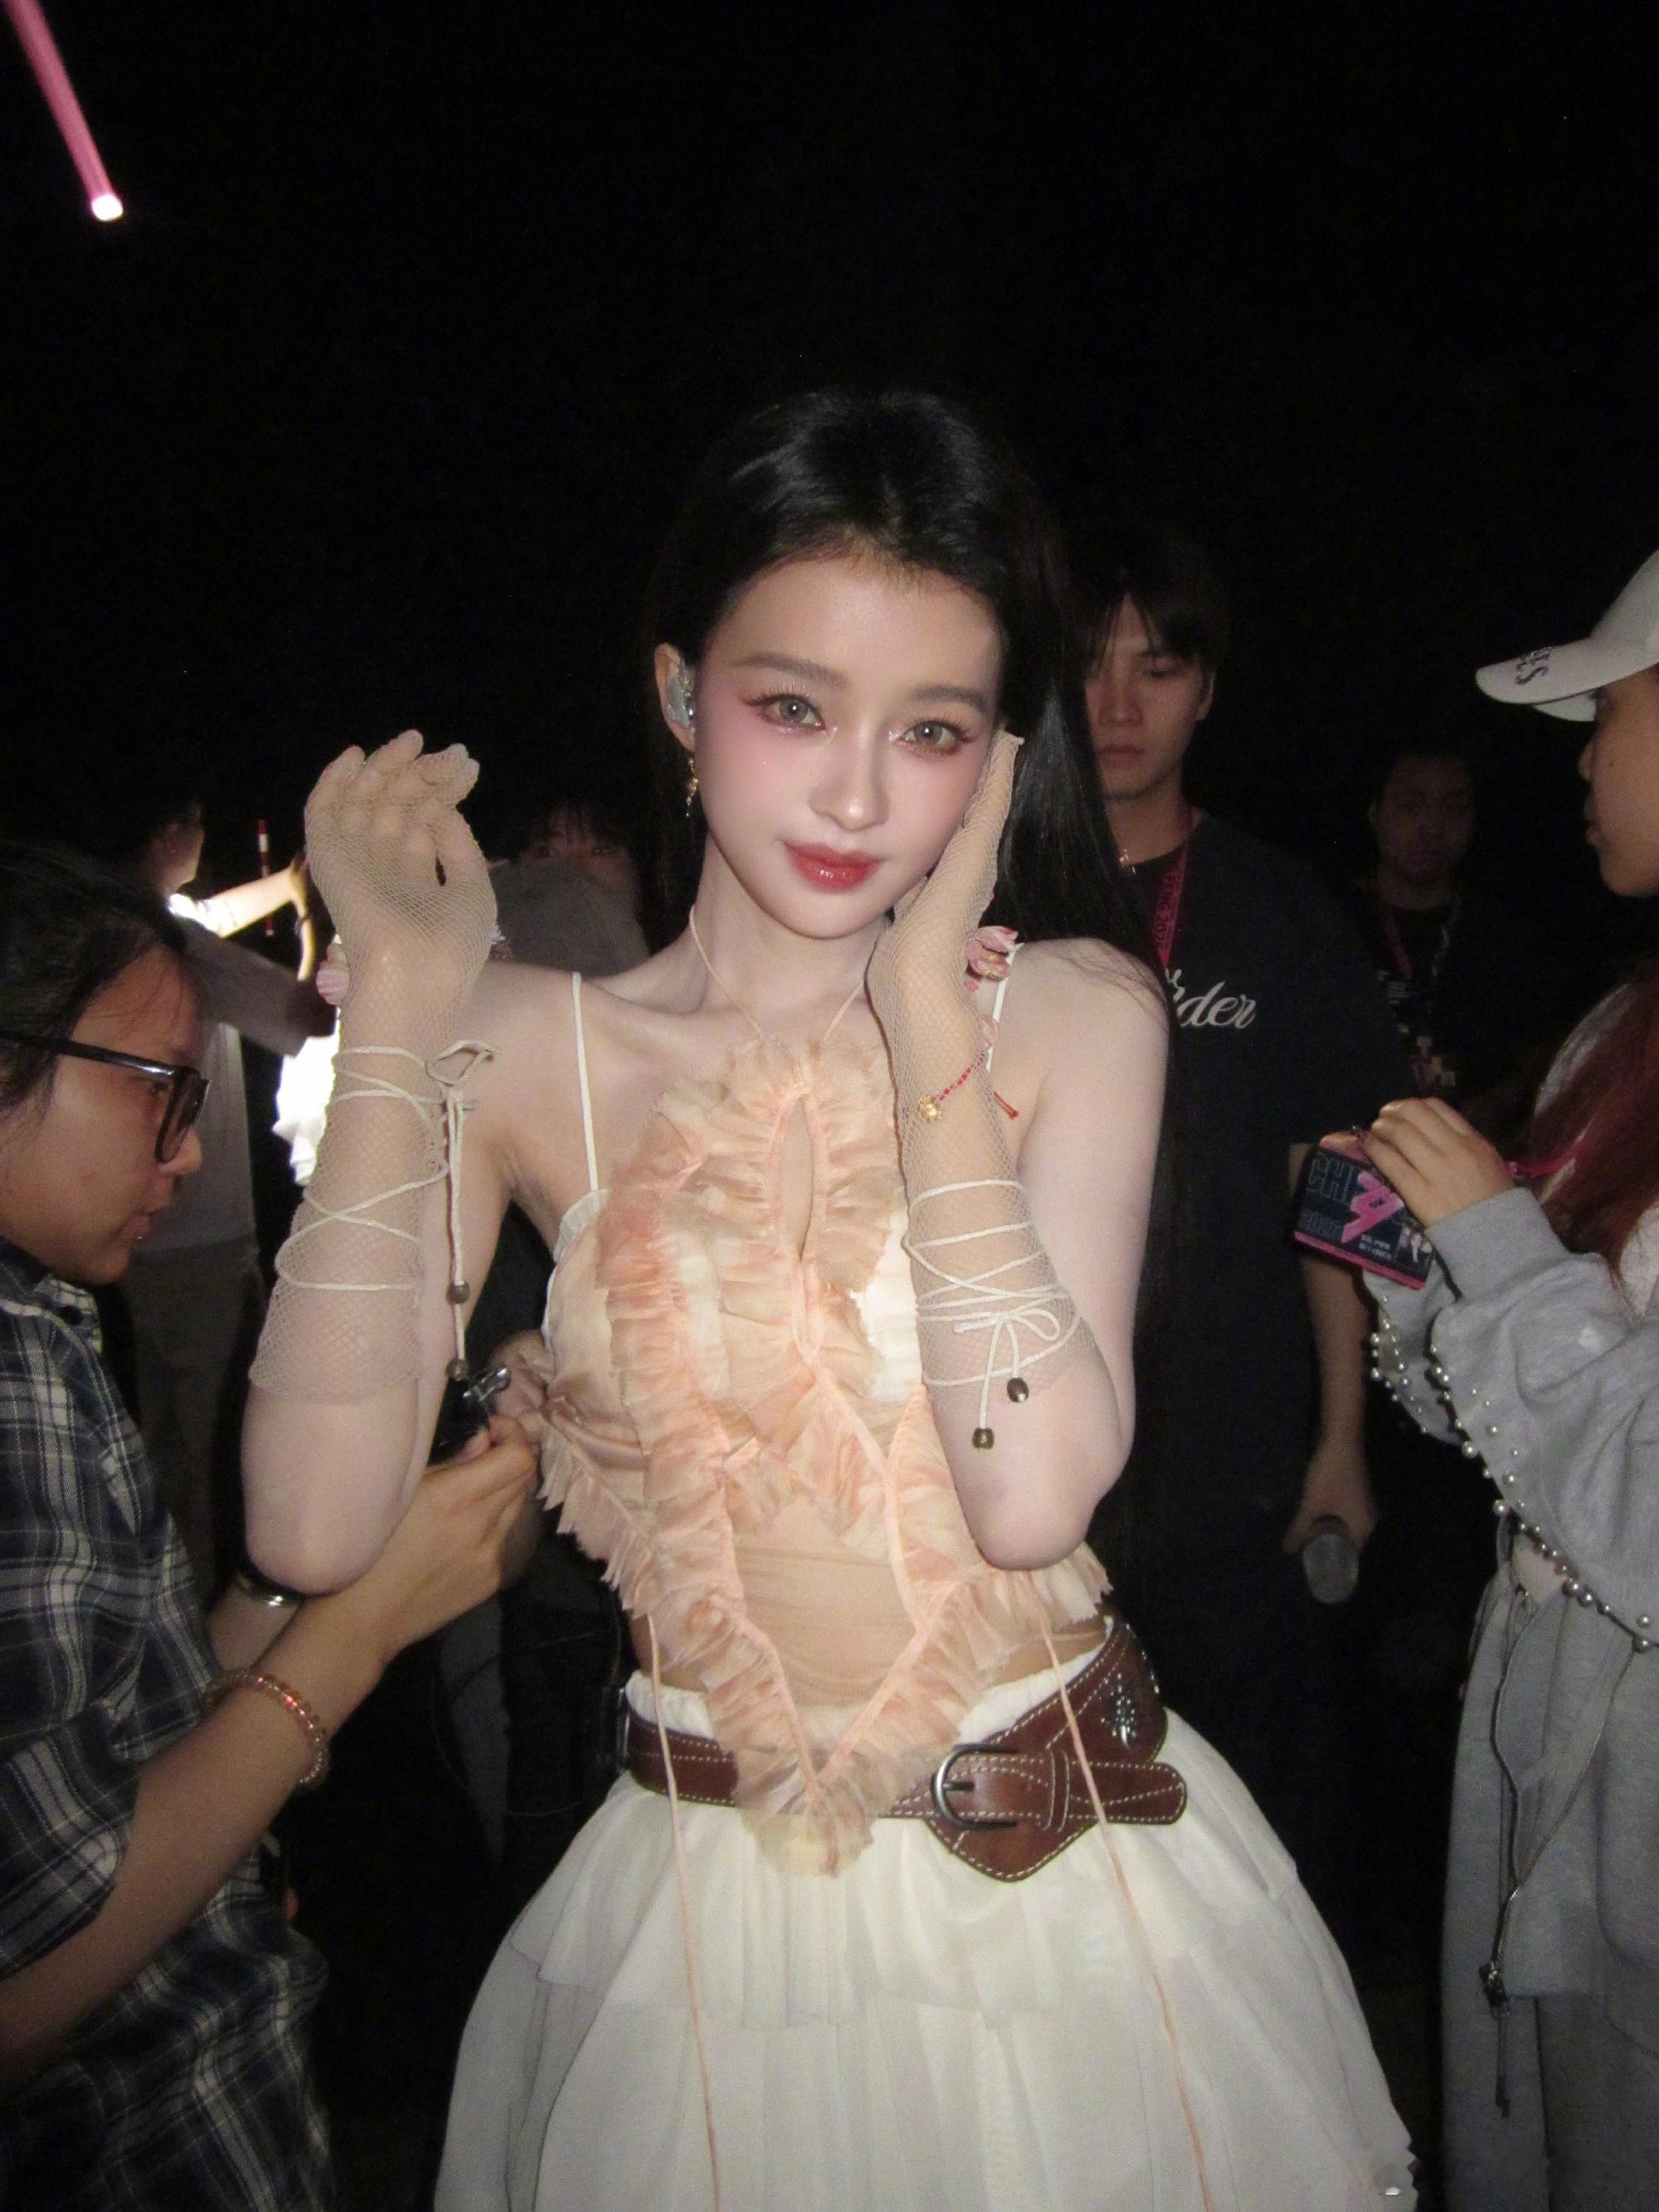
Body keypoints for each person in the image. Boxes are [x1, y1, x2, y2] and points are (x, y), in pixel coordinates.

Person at [242, 392, 1413, 2209]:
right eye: (793, 706)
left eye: (930, 730)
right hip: (701, 1914)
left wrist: (928, 1024)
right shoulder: (524, 1041)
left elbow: (1029, 1493)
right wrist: (397, 1000)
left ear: (995, 754)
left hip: (1066, 1887)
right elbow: (314, 1524)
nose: (860, 796)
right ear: (678, 694)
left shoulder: (1071, 1008)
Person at [0, 840, 537, 2209]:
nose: (188, 1147)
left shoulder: (49, 1320)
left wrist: (300, 1594)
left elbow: (106, 1744)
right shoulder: (14, 1371)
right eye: (158, 1088)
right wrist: (358, 1634)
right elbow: (31, 1978)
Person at [1365, 542, 1659, 2212]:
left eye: (1610, 711)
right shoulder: (1622, 1032)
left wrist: (1491, 1244)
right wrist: (1410, 1259)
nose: (1582, 758)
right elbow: (1518, 1417)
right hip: (1550, 1743)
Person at [1078, 526, 1410, 1922]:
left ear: (1208, 689)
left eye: (1159, 666)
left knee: (1254, 1846)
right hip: (1035, 1465)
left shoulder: (1279, 908)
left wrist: (1345, 1432)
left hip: (1244, 1461)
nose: (1120, 702)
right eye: (1090, 665)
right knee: (1063, 1847)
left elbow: (1336, 1181)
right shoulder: (985, 901)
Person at [114, 790, 333, 1591]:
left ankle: (163, 1596)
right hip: (203, 1241)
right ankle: (216, 1617)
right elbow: (305, 1017)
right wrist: (313, 926)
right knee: (218, 1450)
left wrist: (287, 883)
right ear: (169, 831)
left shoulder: (121, 921)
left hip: (137, 1237)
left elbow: (215, 910)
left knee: (160, 1445)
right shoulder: (179, 946)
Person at [1345, 741, 1559, 1142]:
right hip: (1352, 1146)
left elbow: (1542, 1049)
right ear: (1375, 814)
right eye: (1411, 807)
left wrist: (1498, 1103)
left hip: (1474, 1150)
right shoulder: (1329, 922)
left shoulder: (1507, 931)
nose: (1433, 827)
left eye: (1454, 808)